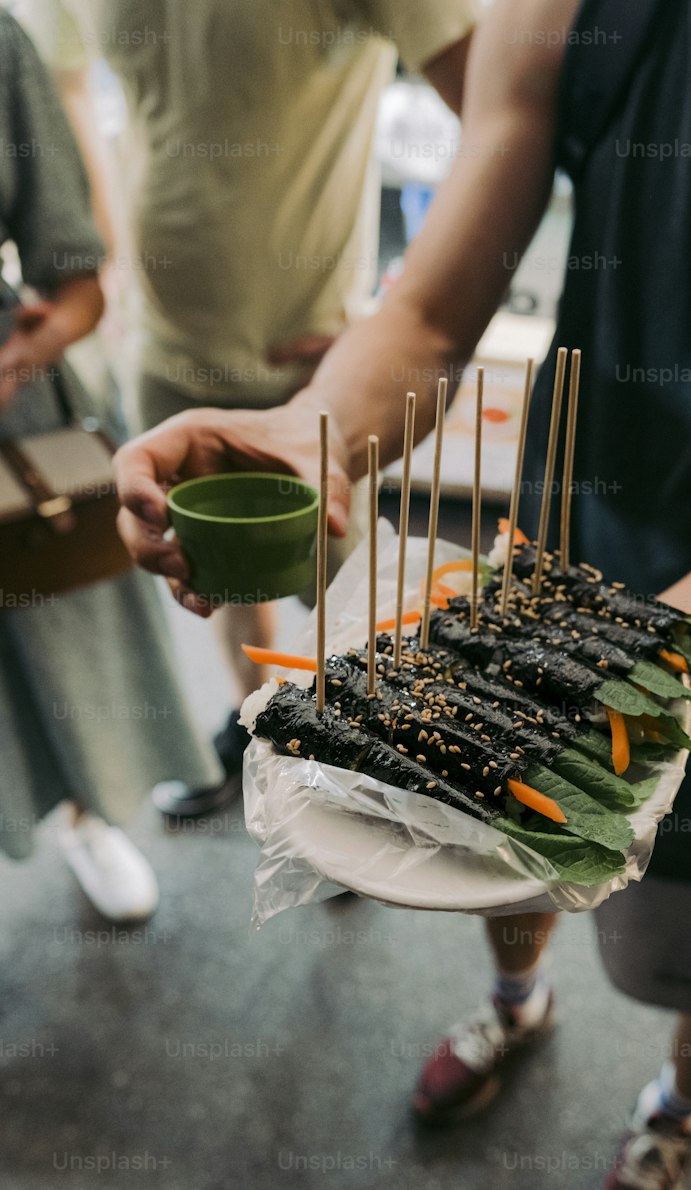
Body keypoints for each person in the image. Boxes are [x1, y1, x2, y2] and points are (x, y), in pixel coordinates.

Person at [114, 0, 691, 1190]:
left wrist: (614, 673)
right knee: (499, 850)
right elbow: (430, 316)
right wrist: (312, 429)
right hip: (564, 539)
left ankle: (675, 1106)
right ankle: (515, 1003)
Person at [19, 0, 479, 820]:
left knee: (350, 605)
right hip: (161, 345)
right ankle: (262, 729)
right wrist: (100, 266)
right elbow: (73, 89)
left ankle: (360, 773)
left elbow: (500, 114)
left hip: (310, 361)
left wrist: (411, 305)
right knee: (211, 575)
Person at [0, 10, 221, 920]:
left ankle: (91, 812)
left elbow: (79, 277)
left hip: (11, 410)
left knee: (60, 620)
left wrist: (24, 352)